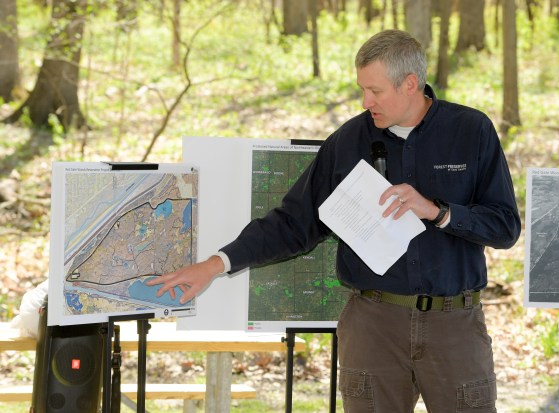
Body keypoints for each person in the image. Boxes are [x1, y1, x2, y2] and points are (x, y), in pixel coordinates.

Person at [148, 29, 521, 412]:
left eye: (375, 91)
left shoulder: (471, 131)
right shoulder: (347, 142)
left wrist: (438, 212)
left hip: (454, 326)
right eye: (362, 89)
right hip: (373, 326)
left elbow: (505, 226)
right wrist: (214, 265)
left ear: (411, 84)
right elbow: (293, 223)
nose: (365, 101)